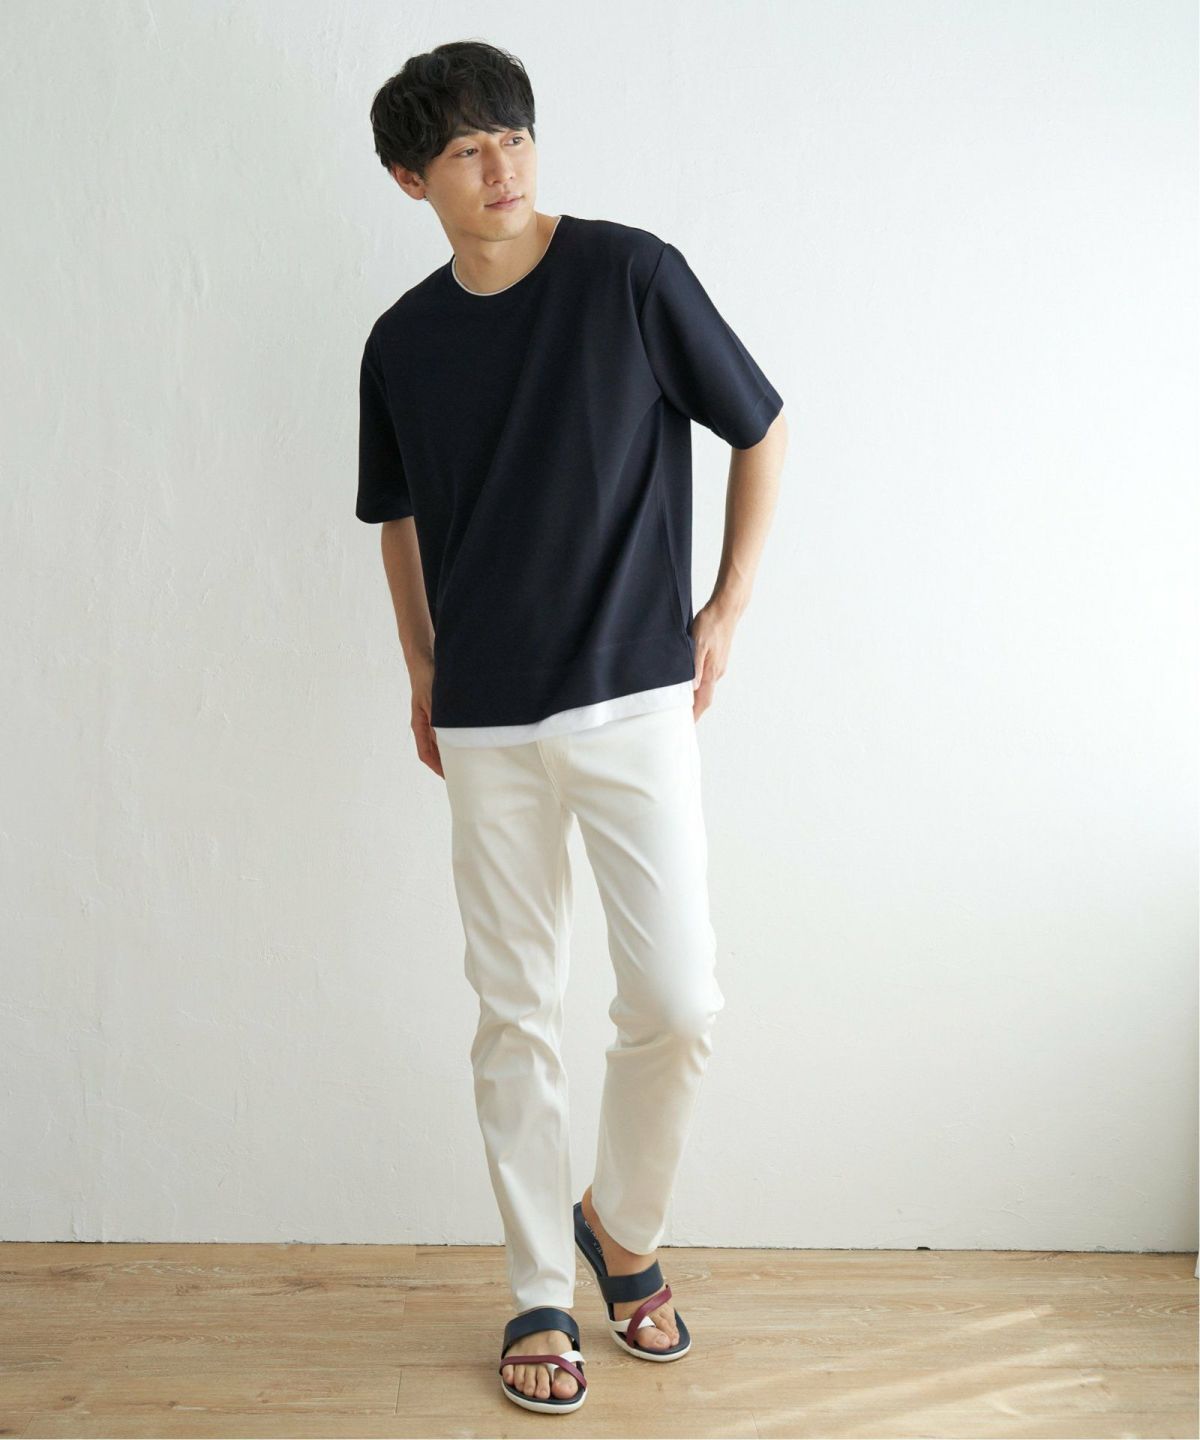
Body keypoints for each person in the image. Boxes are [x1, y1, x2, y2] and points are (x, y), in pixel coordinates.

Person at [358, 39, 788, 1416]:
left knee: (679, 1001)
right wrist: (419, 662)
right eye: (467, 150)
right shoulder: (400, 342)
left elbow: (760, 427)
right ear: (411, 178)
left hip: (635, 694)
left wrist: (725, 609)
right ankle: (542, 1285)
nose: (503, 167)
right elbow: (394, 515)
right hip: (484, 721)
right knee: (515, 1012)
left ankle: (624, 1227)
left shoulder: (630, 276)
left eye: (515, 137)